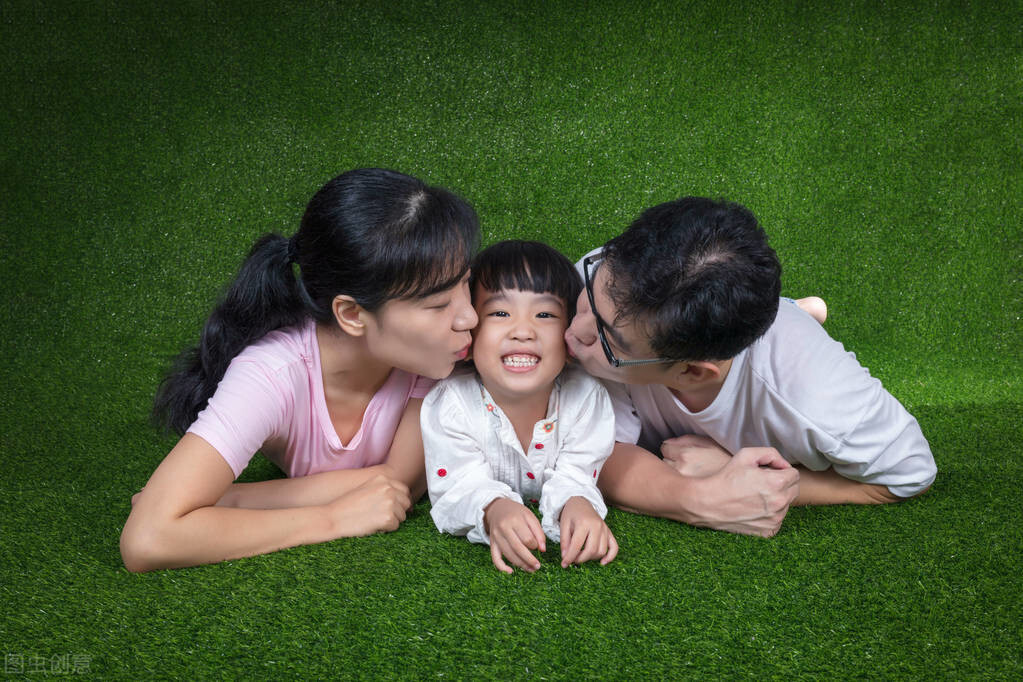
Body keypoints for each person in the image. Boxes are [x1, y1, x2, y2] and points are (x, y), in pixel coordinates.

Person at [120, 168, 480, 571]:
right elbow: (147, 538)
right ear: (351, 314)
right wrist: (332, 518)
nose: (469, 316)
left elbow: (395, 484)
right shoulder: (271, 373)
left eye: (465, 283)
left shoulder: (435, 356)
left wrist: (235, 499)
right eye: (437, 306)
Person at [564, 196, 936, 537]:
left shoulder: (815, 397)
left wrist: (778, 484)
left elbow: (910, 473)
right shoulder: (616, 276)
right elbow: (581, 446)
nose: (572, 331)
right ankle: (795, 308)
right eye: (588, 296)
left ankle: (794, 316)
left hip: (783, 361)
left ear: (692, 372)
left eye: (609, 340)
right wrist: (696, 497)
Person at [422, 241, 618, 574]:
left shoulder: (587, 398)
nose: (523, 331)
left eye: (545, 314)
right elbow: (458, 485)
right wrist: (494, 509)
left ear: (569, 339)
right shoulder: (451, 405)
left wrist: (579, 504)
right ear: (470, 335)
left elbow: (578, 473)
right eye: (500, 313)